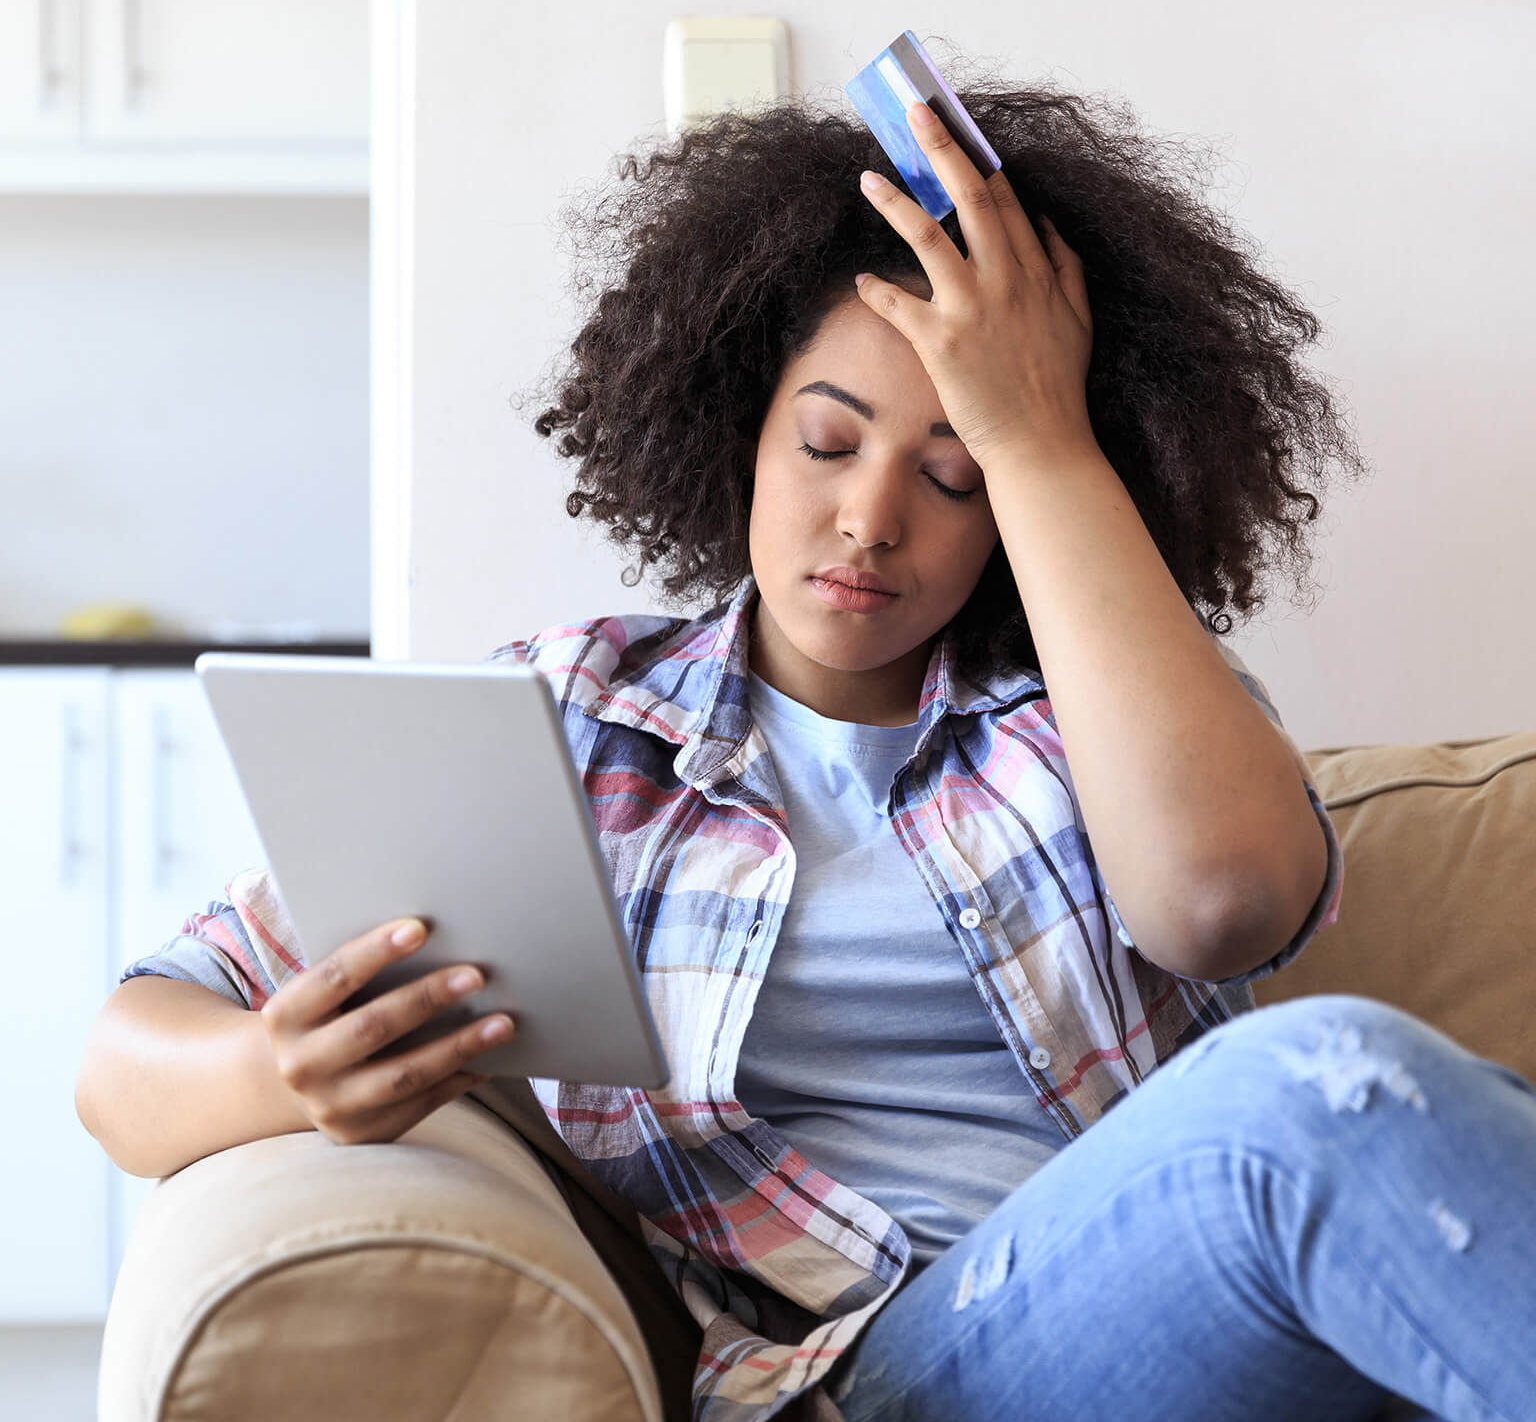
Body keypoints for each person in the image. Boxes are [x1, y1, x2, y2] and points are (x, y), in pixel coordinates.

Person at [75, 73, 1535, 1422]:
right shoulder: (579, 725)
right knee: (1318, 1085)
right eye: (827, 446)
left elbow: (1224, 896)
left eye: (954, 475)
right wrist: (284, 1068)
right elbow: (127, 1054)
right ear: (739, 434)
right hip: (889, 1366)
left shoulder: (1087, 707)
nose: (871, 521)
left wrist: (1037, 433)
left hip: (1192, 1319)